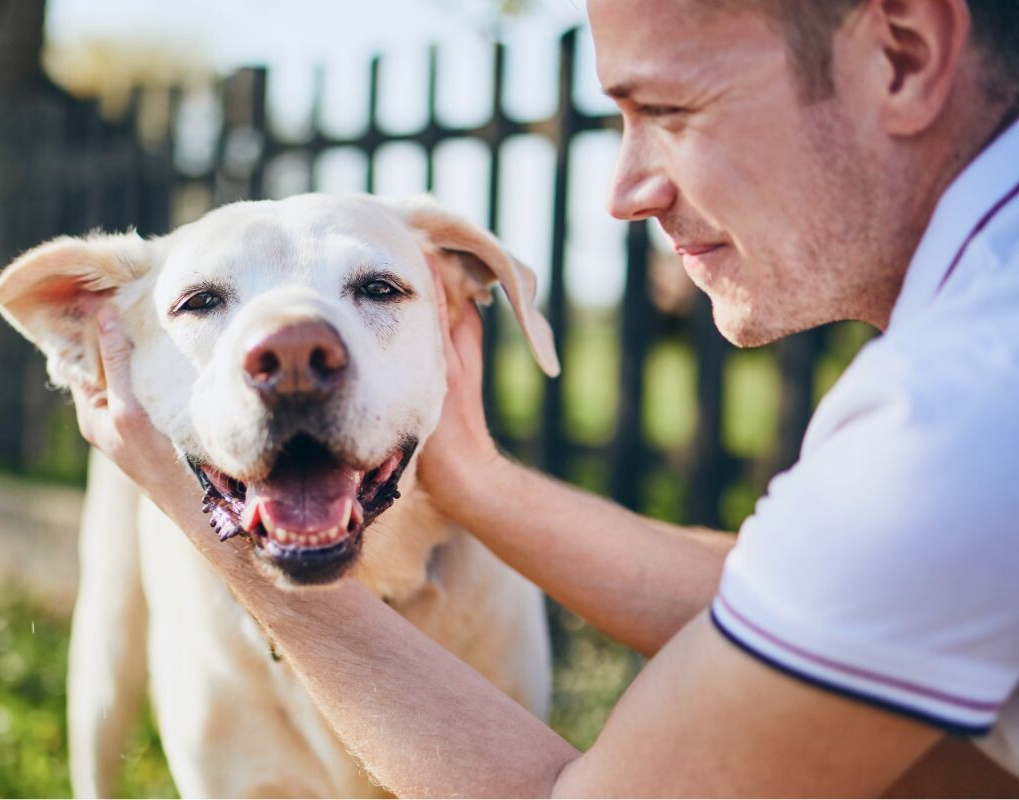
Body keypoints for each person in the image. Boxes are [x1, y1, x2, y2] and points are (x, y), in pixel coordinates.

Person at [70, 0, 1019, 795]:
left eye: (672, 111)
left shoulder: (960, 409)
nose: (625, 191)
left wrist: (224, 537)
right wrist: (476, 481)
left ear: (901, 57)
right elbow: (817, 600)